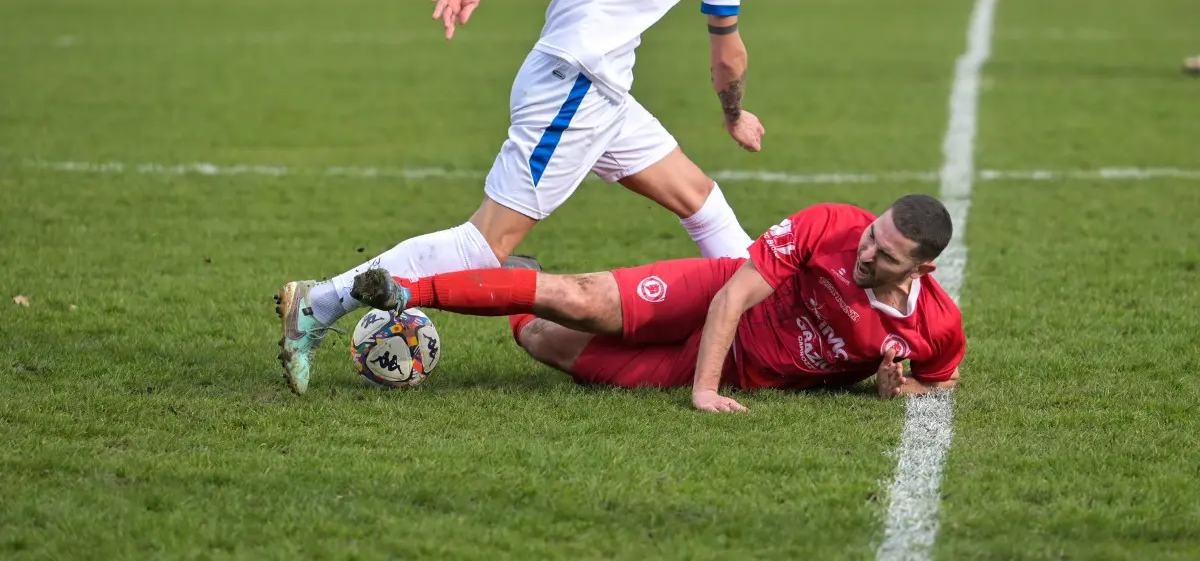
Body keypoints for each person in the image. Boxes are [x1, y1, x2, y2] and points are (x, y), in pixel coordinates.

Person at [275, 0, 768, 395]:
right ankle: (319, 303)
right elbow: (727, 54)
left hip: (591, 88)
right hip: (577, 89)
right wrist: (733, 112)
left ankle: (763, 318)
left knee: (700, 199)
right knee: (482, 245)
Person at [350, 195, 965, 409]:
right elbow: (730, 298)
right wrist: (702, 393)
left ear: (923, 269)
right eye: (871, 237)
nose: (866, 255)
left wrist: (900, 391)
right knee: (581, 299)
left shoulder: (937, 325)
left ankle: (515, 277)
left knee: (541, 339)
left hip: (737, 368)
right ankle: (406, 290)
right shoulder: (830, 224)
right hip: (717, 299)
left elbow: (942, 382)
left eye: (886, 256)